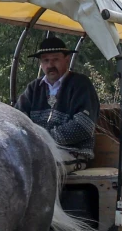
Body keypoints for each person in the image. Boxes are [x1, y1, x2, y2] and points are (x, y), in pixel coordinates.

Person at [14, 35, 100, 171]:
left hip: (73, 152)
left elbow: (83, 126)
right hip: (37, 149)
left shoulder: (81, 85)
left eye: (55, 59)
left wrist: (43, 139)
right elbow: (18, 119)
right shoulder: (33, 88)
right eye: (46, 60)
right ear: (40, 64)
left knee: (39, 167)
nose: (50, 65)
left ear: (67, 60)